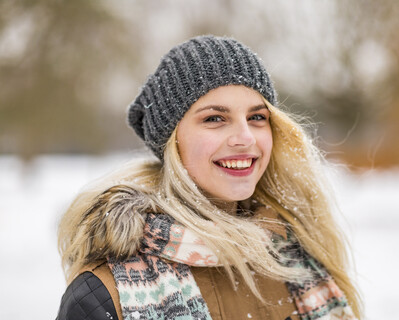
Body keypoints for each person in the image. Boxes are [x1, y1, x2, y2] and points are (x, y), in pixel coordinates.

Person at [56, 35, 362, 320]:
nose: (245, 137)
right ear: (172, 141)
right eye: (215, 118)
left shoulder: (299, 262)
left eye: (257, 117)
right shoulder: (103, 295)